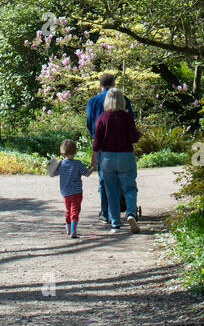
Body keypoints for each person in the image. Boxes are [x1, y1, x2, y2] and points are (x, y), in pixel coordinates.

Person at [86, 73, 134, 223]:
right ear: (114, 83)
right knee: (125, 180)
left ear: (100, 85)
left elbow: (89, 123)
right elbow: (131, 123)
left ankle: (106, 213)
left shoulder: (92, 101)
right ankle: (127, 210)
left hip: (102, 146)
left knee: (104, 180)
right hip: (123, 146)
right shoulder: (123, 99)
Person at [92, 88, 141, 233]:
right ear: (122, 101)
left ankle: (115, 223)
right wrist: (138, 135)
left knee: (111, 190)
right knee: (129, 187)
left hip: (107, 157)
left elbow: (96, 142)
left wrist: (93, 160)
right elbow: (133, 138)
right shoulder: (127, 117)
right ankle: (131, 213)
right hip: (125, 155)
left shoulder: (101, 118)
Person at [46, 138, 91, 240]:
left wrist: (51, 165)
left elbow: (52, 174)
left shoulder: (61, 164)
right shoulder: (78, 163)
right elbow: (87, 174)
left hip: (65, 192)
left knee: (68, 210)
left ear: (63, 151)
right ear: (75, 151)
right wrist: (93, 167)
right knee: (75, 210)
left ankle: (68, 229)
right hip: (77, 192)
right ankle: (73, 230)